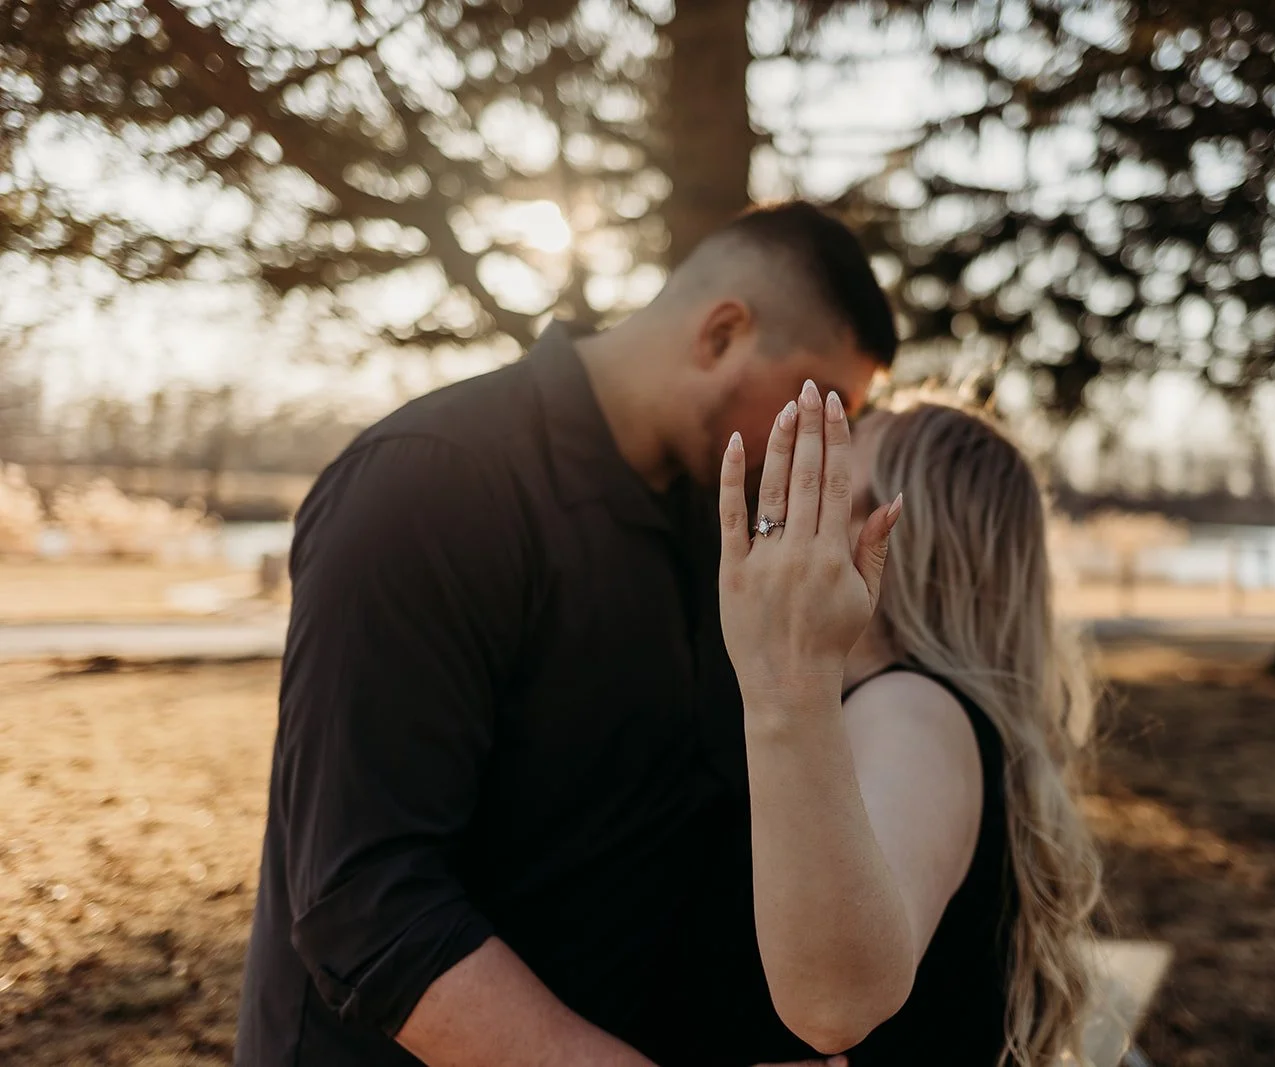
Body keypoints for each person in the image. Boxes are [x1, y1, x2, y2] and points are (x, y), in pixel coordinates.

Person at [233, 201, 896, 1067]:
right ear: (723, 334)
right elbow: (369, 907)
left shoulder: (721, 526)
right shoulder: (425, 487)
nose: (828, 445)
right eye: (824, 403)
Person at [637, 397, 1101, 1067]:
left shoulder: (913, 708)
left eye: (832, 479)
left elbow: (834, 1004)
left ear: (894, 531)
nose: (796, 495)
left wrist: (783, 675)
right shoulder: (899, 705)